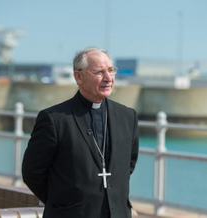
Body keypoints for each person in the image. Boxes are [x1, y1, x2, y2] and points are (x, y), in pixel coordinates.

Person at [22, 47, 139, 218]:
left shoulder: (128, 116)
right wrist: (62, 202)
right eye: (99, 72)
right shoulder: (55, 119)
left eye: (111, 70)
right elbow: (32, 172)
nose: (108, 78)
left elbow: (128, 164)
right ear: (78, 77)